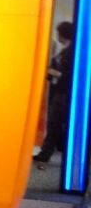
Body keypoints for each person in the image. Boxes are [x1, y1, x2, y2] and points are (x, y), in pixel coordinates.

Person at [34, 20, 74, 168]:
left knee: (55, 123)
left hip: (64, 93)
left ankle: (46, 154)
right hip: (59, 92)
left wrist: (54, 73)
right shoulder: (64, 51)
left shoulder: (71, 52)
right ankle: (45, 153)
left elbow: (69, 75)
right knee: (54, 124)